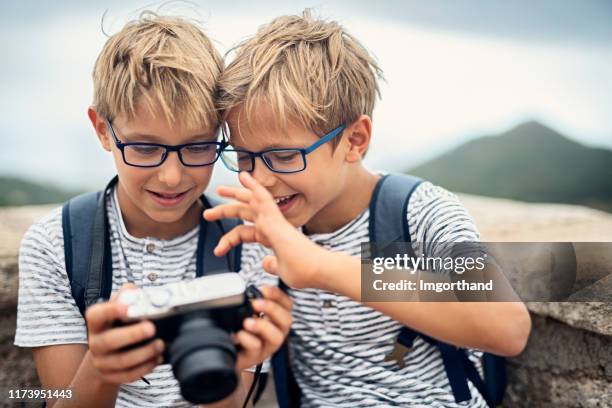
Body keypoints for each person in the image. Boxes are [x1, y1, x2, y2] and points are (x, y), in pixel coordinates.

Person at [207, 10, 531, 407]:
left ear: (355, 140)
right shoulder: (259, 233)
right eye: (243, 157)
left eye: (283, 156)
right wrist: (243, 361)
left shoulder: (420, 213)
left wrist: (321, 268)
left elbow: (508, 328)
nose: (258, 178)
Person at [14, 12, 291, 407]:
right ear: (103, 130)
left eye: (198, 147)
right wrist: (102, 368)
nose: (172, 177)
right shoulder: (56, 245)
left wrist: (235, 368)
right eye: (145, 148)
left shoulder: (247, 243)